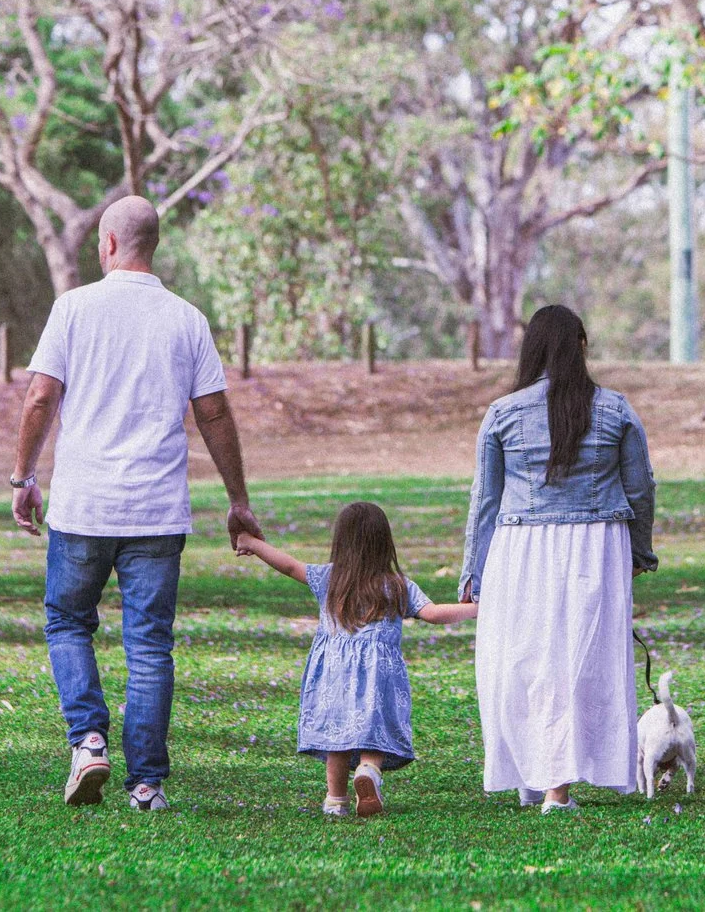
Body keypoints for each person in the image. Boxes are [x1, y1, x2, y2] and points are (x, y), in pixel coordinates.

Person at [9, 195, 263, 812]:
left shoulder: (73, 308)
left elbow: (41, 398)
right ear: (153, 245)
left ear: (109, 244)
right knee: (149, 645)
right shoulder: (187, 319)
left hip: (83, 508)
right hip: (157, 511)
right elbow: (215, 415)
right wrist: (237, 500)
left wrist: (23, 477)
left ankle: (89, 740)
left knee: (68, 622)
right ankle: (146, 785)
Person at [457, 304, 657, 810]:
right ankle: (554, 786)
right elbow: (641, 488)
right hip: (597, 545)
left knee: (526, 660)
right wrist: (640, 551)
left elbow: (485, 499)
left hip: (520, 549)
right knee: (585, 660)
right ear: (581, 346)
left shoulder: (503, 413)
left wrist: (474, 570)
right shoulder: (615, 408)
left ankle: (543, 781)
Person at [234, 501, 478, 817]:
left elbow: (289, 565)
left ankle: (335, 800)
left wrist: (252, 543)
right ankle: (368, 771)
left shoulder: (328, 578)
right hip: (380, 675)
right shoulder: (397, 585)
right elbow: (432, 614)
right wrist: (476, 609)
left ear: (340, 542)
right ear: (384, 542)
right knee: (373, 730)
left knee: (337, 739)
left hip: (333, 675)